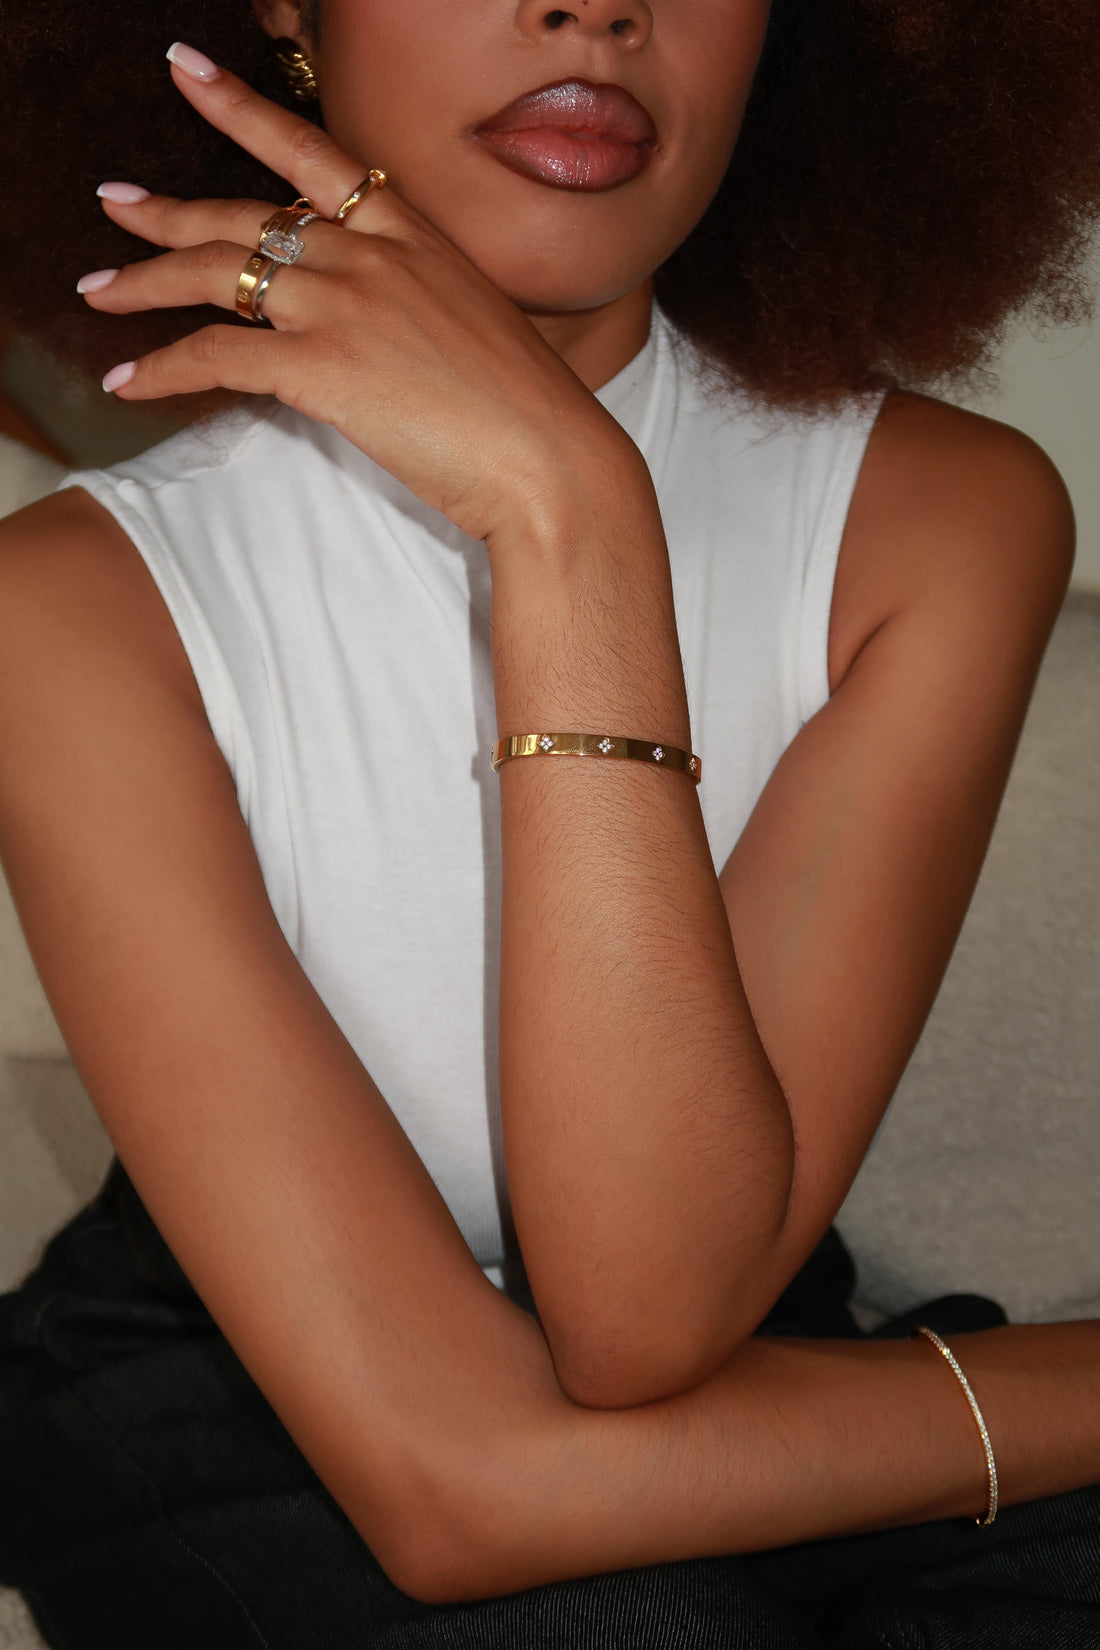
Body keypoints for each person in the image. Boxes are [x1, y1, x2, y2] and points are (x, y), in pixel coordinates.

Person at [0, 2, 1099, 1645]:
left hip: (737, 1321)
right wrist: (568, 508)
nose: (595, 6)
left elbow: (652, 1306)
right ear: (288, 10)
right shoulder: (68, 610)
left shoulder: (945, 520)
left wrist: (569, 507)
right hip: (236, 1387)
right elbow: (466, 1486)